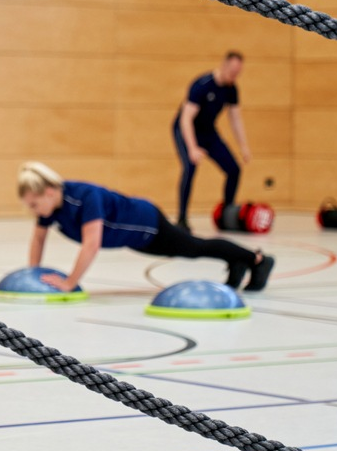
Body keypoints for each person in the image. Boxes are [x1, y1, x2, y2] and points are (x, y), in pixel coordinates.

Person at [17, 161, 273, 293]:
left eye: (34, 204)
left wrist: (70, 282)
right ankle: (238, 261)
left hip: (147, 224)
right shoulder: (51, 208)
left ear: (49, 192)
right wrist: (32, 274)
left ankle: (258, 260)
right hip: (134, 239)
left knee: (195, 247)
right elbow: (38, 239)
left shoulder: (84, 197)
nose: (33, 211)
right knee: (193, 249)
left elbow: (91, 244)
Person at [173, 50, 251, 232]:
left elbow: (235, 119)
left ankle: (227, 214)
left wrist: (244, 146)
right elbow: (186, 119)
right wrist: (192, 148)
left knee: (234, 170)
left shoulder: (231, 89)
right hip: (186, 130)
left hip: (208, 132)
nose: (234, 76)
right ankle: (182, 219)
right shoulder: (202, 85)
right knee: (190, 167)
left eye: (238, 73)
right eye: (232, 71)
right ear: (224, 65)